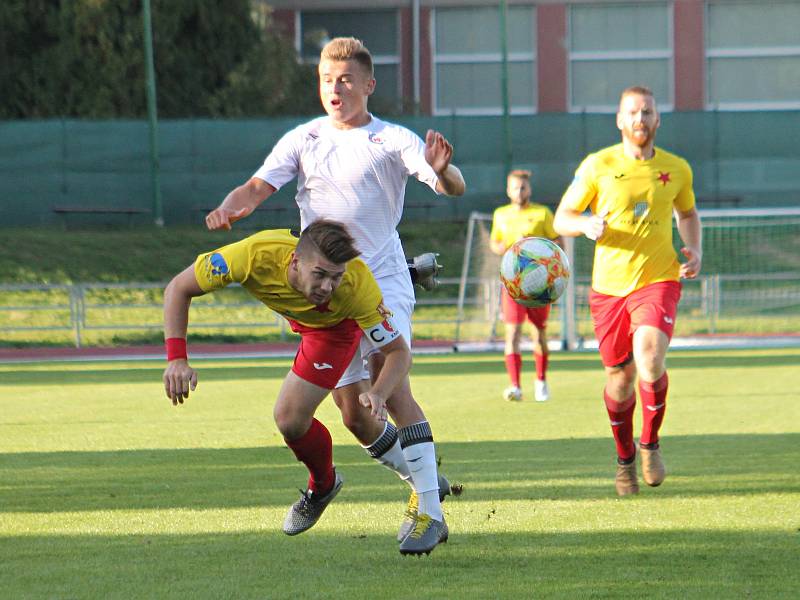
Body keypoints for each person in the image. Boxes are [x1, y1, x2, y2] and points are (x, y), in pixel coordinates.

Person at [205, 37, 465, 543]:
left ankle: (430, 513)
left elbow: (450, 182)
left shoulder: (392, 139)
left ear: (369, 85)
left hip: (382, 280)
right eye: (327, 79)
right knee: (353, 413)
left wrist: (442, 170)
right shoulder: (302, 139)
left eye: (345, 79)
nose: (335, 88)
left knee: (391, 386)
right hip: (325, 289)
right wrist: (233, 207)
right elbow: (258, 186)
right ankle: (424, 480)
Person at [163, 220, 446, 555]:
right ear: (295, 262)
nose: (328, 286)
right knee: (349, 419)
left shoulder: (356, 285)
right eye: (320, 274)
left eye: (335, 276)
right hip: (308, 326)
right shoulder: (251, 256)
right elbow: (178, 288)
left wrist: (380, 392)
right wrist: (177, 359)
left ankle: (426, 499)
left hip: (335, 330)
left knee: (288, 416)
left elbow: (398, 353)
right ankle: (325, 486)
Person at [553, 86, 702, 496]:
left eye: (648, 112)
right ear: (620, 120)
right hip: (609, 290)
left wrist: (696, 249)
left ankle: (650, 444)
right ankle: (625, 461)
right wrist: (584, 225)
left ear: (658, 120)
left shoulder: (676, 168)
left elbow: (687, 214)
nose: (640, 119)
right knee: (620, 380)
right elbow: (562, 217)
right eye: (633, 112)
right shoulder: (597, 165)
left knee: (651, 356)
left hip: (658, 279)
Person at [490, 169, 561, 403]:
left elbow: (558, 243)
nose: (519, 192)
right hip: (513, 284)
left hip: (539, 286)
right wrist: (514, 245)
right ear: (508, 190)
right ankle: (515, 386)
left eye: (523, 187)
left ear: (529, 189)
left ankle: (541, 381)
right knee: (512, 332)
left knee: (538, 333)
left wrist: (535, 245)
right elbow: (496, 244)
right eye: (515, 188)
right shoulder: (501, 215)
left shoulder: (542, 213)